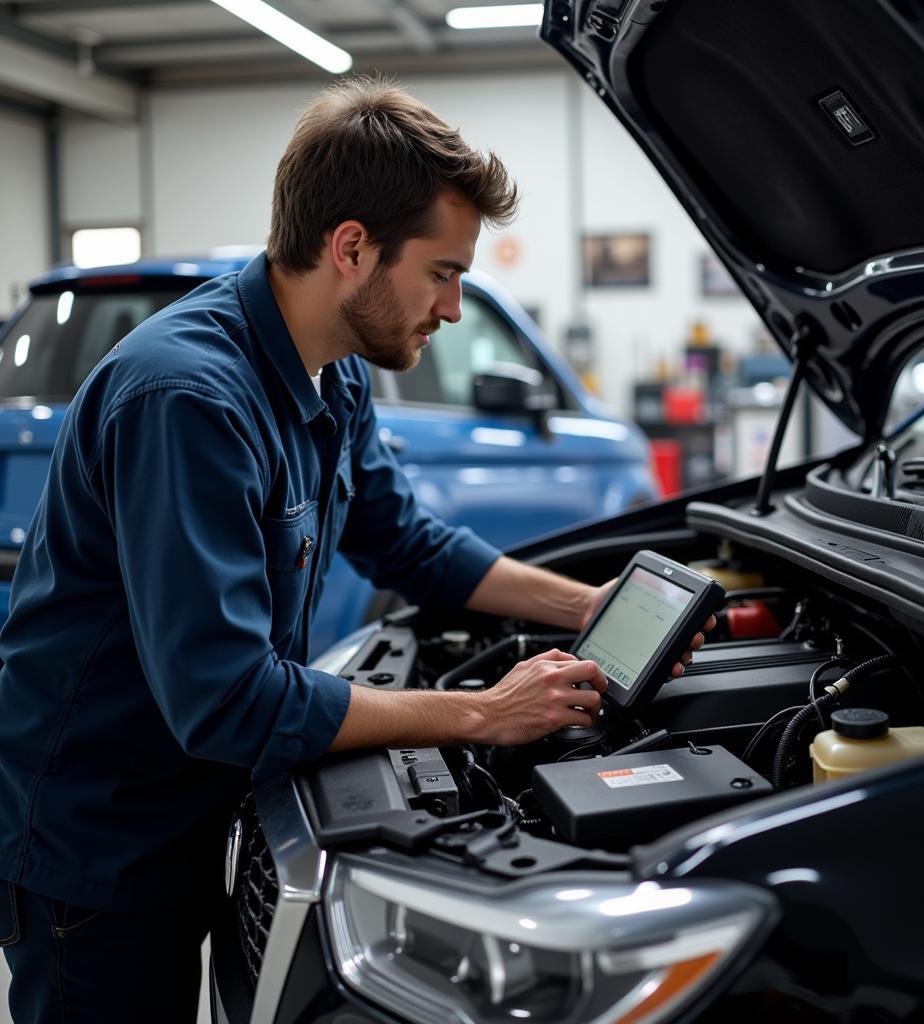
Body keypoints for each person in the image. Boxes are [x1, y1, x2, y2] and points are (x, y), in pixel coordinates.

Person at [0, 79, 709, 1022]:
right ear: (351, 249)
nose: (453, 307)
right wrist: (478, 715)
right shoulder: (188, 400)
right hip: (97, 844)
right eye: (443, 273)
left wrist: (581, 606)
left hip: (193, 811)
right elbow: (226, 698)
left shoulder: (328, 375)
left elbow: (408, 543)